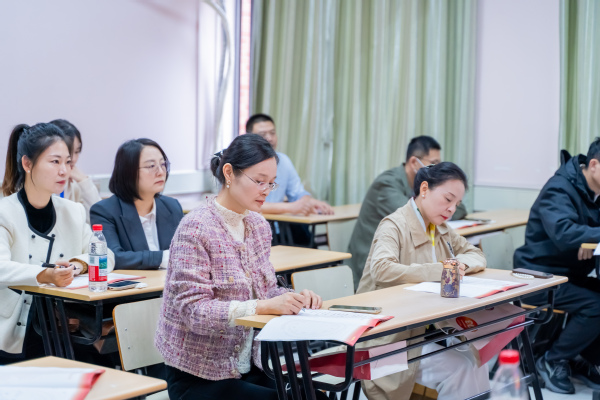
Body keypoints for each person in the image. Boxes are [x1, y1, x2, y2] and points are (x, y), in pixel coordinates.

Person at [155, 134, 326, 400]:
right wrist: (263, 306)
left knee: (314, 395)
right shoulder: (195, 228)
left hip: (247, 367)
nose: (266, 190)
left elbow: (266, 292)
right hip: (197, 376)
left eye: (271, 183)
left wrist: (294, 299)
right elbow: (194, 312)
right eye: (259, 181)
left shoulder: (257, 225)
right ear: (229, 173)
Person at [356, 162, 488, 400]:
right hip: (389, 338)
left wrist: (459, 266)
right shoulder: (394, 225)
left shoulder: (440, 228)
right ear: (424, 189)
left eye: (456, 204)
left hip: (426, 329)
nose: (451, 209)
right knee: (462, 368)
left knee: (479, 359)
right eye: (447, 199)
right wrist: (442, 270)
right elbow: (382, 269)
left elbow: (475, 254)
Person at [0, 123, 114, 364]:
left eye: (68, 162)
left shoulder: (72, 211)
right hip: (14, 331)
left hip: (64, 326)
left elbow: (107, 255)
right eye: (55, 162)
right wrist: (46, 274)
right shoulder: (5, 212)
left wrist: (77, 265)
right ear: (27, 164)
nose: (64, 171)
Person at [514, 140, 600, 394]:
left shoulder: (594, 192)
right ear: (594, 165)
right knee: (596, 305)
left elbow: (581, 234)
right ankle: (552, 360)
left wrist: (588, 237)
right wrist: (587, 237)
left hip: (568, 274)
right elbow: (565, 233)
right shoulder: (559, 188)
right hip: (538, 275)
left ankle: (582, 358)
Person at [348, 136, 468, 289]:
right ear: (413, 162)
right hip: (374, 264)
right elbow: (415, 215)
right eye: (433, 163)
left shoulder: (429, 195)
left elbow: (461, 210)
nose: (436, 169)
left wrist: (444, 204)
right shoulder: (386, 184)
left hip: (407, 265)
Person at [90, 139, 183, 270]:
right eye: (151, 166)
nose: (161, 172)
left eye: (163, 164)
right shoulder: (104, 211)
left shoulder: (172, 206)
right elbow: (112, 257)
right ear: (128, 172)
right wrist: (162, 258)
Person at [246, 113, 333, 216]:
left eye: (272, 133)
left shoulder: (283, 161)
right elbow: (246, 203)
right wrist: (290, 207)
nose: (269, 138)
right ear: (249, 137)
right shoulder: (244, 162)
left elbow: (298, 193)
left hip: (277, 223)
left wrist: (307, 202)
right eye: (263, 134)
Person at [49, 119, 101, 222]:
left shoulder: (74, 184)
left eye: (77, 152)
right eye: (68, 151)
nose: (73, 159)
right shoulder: (41, 181)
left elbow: (97, 219)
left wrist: (84, 181)